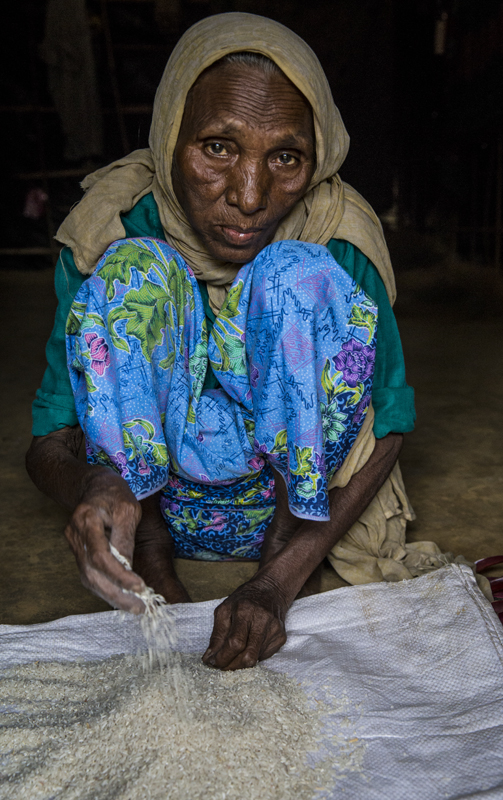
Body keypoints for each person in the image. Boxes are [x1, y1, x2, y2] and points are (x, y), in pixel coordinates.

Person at [26, 13, 422, 671]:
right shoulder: (109, 230)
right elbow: (50, 437)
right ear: (169, 134)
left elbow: (392, 420)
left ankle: (274, 549)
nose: (247, 195)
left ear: (316, 157)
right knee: (134, 273)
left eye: (286, 158)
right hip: (156, 511)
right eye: (216, 147)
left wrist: (277, 582)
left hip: (300, 510)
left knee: (294, 273)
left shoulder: (338, 233)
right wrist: (95, 485)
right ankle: (152, 560)